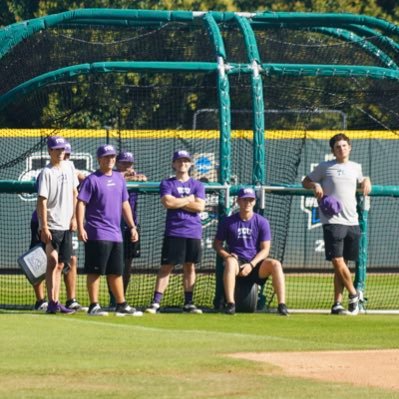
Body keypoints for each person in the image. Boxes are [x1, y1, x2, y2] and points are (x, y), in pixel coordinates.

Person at [302, 133, 372, 316]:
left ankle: (337, 304)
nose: (341, 149)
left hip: (352, 220)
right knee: (337, 260)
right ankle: (355, 294)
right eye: (337, 147)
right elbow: (305, 181)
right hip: (333, 220)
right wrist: (314, 185)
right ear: (332, 150)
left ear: (350, 147)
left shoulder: (356, 167)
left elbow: (362, 180)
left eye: (344, 146)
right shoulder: (325, 167)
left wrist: (367, 180)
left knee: (342, 265)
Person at [76, 144, 142, 316]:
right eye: (106, 157)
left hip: (116, 233)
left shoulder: (120, 179)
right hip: (97, 232)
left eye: (112, 157)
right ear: (99, 159)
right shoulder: (92, 179)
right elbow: (81, 203)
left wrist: (132, 226)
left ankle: (121, 304)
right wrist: (81, 225)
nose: (110, 160)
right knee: (95, 271)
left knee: (116, 271)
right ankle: (94, 305)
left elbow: (125, 204)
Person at [145, 150, 205, 314]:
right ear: (173, 164)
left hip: (193, 231)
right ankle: (156, 302)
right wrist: (188, 200)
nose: (182, 164)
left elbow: (200, 206)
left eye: (186, 161)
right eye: (179, 161)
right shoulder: (167, 183)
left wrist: (178, 201)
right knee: (166, 266)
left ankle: (189, 302)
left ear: (190, 164)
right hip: (174, 230)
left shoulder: (197, 185)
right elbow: (167, 203)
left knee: (189, 266)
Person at [213, 187, 289, 315]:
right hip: (237, 261)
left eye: (251, 200)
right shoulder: (228, 221)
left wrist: (251, 264)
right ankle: (231, 304)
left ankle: (282, 305)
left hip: (255, 263)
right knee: (230, 262)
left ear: (254, 202)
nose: (247, 203)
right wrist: (227, 256)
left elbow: (265, 250)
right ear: (238, 201)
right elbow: (217, 244)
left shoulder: (262, 222)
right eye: (244, 200)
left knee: (275, 264)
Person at [31, 142, 84, 311]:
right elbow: (42, 200)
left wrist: (74, 218)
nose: (61, 152)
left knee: (62, 264)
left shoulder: (69, 167)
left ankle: (55, 302)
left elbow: (75, 193)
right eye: (57, 149)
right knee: (52, 261)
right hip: (52, 223)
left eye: (63, 149)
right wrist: (44, 226)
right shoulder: (46, 172)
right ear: (50, 151)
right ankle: (51, 302)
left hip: (66, 224)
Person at [108, 151, 147, 308]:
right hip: (113, 224)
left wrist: (133, 176)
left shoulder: (136, 176)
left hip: (131, 225)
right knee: (113, 264)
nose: (126, 166)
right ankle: (113, 299)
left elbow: (144, 178)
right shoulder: (112, 177)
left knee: (127, 264)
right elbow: (116, 178)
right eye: (123, 163)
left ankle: (121, 299)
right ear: (117, 163)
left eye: (129, 164)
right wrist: (128, 176)